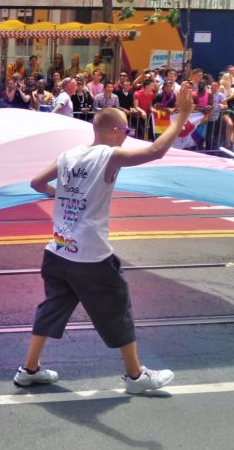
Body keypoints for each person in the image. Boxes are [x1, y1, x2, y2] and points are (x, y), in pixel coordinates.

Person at [15, 82, 194, 394]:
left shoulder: (69, 155)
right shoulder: (109, 156)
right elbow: (156, 151)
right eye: (125, 131)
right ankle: (136, 377)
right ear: (113, 131)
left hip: (58, 250)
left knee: (53, 308)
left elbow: (35, 183)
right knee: (117, 307)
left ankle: (28, 369)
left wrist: (66, 198)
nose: (126, 136)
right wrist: (180, 119)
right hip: (90, 256)